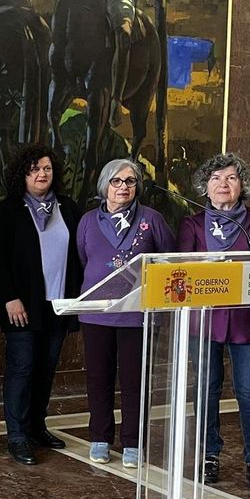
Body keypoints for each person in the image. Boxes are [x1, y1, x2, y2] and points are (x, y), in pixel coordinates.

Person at [178, 153, 250, 495]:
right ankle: (209, 455)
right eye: (216, 178)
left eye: (231, 178)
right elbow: (183, 273)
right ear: (204, 187)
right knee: (206, 389)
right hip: (204, 321)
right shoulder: (192, 225)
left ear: (243, 186)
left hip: (248, 321)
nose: (223, 184)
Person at [0, 145, 83, 466]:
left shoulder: (68, 208)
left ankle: (37, 426)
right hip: (22, 306)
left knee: (46, 368)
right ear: (22, 175)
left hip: (58, 304)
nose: (41, 174)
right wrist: (8, 298)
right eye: (34, 169)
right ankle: (16, 434)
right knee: (22, 368)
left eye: (46, 168)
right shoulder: (9, 210)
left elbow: (80, 254)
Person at [76, 158, 173, 468]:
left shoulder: (152, 219)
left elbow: (169, 260)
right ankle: (100, 438)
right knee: (98, 379)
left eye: (130, 181)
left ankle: (133, 442)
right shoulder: (88, 221)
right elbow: (83, 259)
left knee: (134, 381)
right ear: (105, 185)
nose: (123, 187)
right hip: (96, 315)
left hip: (137, 315)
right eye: (116, 181)